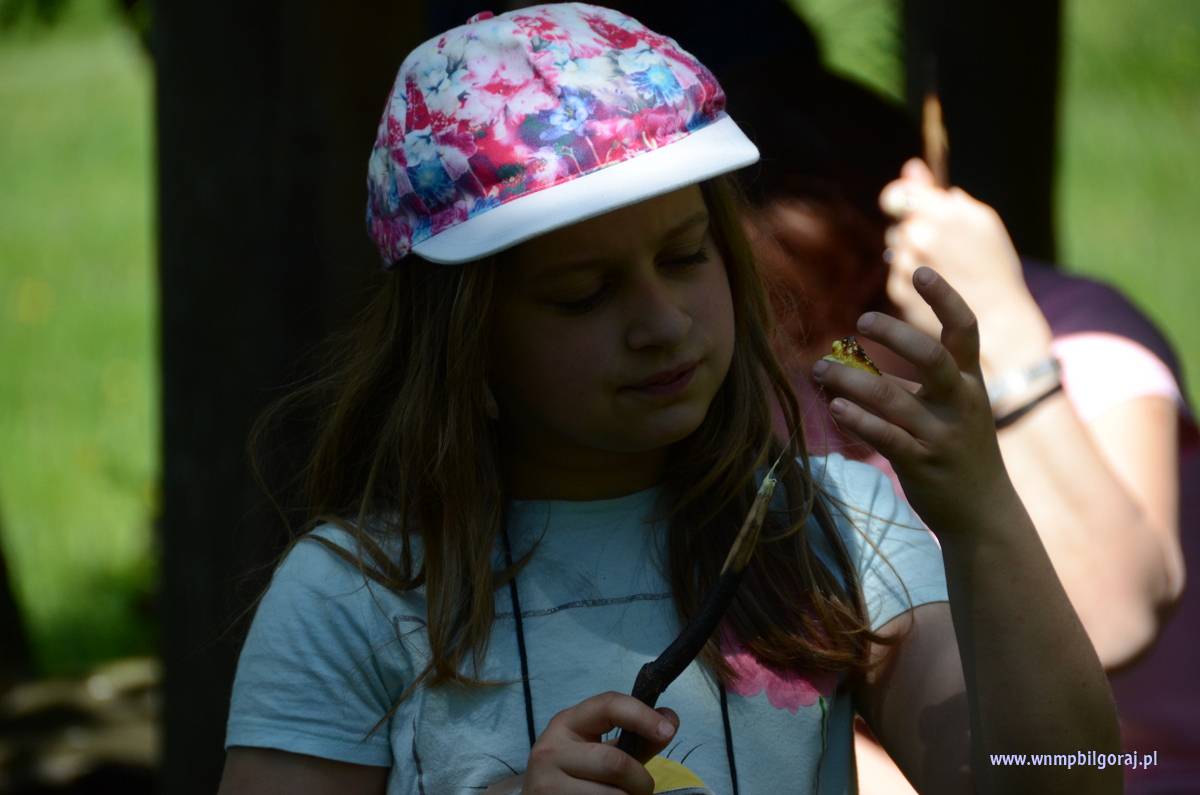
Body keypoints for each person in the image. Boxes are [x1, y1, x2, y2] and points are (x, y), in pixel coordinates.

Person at [216, 5, 1120, 793]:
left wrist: (982, 514)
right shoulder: (354, 598)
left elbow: (1063, 780)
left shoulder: (833, 528)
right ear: (462, 347)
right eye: (583, 295)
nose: (661, 321)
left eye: (686, 256)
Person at [695, 20, 1194, 792]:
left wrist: (1006, 345)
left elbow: (1113, 618)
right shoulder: (777, 376)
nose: (805, 364)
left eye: (813, 312)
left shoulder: (1081, 332)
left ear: (890, 252)